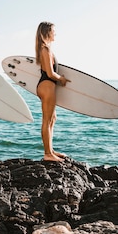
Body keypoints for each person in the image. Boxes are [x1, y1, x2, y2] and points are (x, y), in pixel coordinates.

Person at [35, 21, 70, 162]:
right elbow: (50, 73)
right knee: (47, 120)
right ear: (47, 32)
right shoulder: (46, 49)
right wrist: (61, 79)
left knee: (52, 118)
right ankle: (48, 154)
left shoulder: (44, 48)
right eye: (53, 31)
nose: (55, 33)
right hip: (47, 86)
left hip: (46, 86)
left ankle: (50, 149)